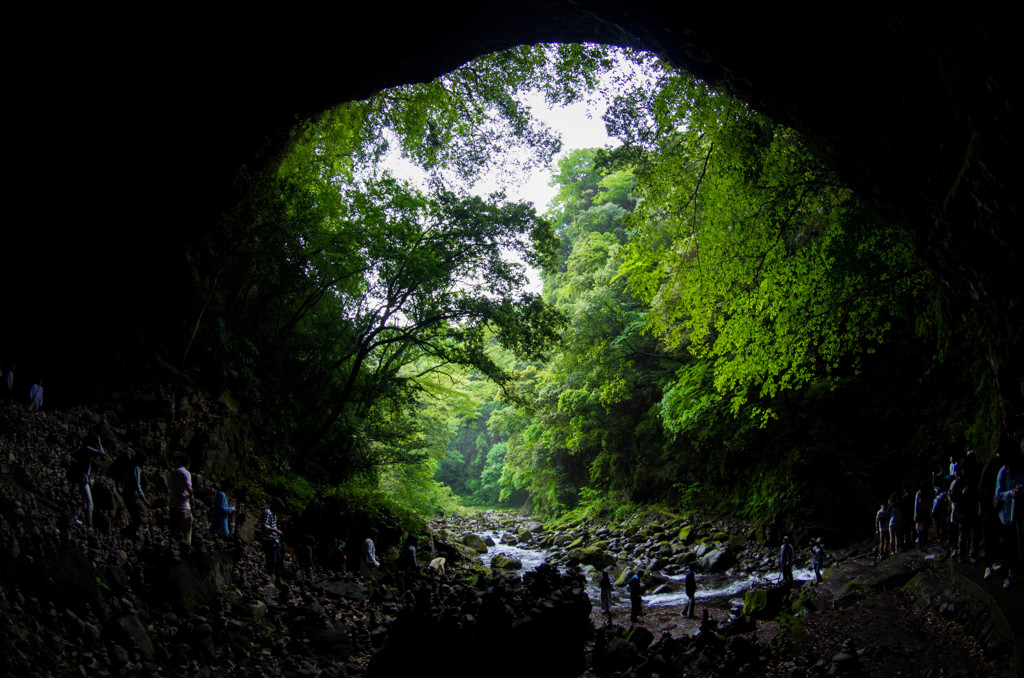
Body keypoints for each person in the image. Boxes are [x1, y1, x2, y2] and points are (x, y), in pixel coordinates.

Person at [995, 445, 1024, 589]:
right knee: (1008, 545)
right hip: (1006, 515)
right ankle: (1008, 574)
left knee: (1018, 543)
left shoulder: (1020, 469)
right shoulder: (1003, 473)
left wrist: (1020, 489)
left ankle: (1015, 568)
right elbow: (998, 494)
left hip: (1018, 511)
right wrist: (1010, 493)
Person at [69, 433, 105, 528]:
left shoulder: (83, 449)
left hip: (81, 477)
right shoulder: (87, 449)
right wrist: (99, 444)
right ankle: (89, 525)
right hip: (83, 478)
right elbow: (101, 453)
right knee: (89, 502)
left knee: (85, 501)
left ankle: (75, 516)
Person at [121, 450, 152, 539]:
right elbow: (137, 487)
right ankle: (126, 533)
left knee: (136, 518)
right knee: (138, 520)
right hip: (130, 497)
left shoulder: (132, 467)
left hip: (128, 495)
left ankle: (128, 534)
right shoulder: (135, 470)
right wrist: (145, 501)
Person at [167, 455, 195, 546]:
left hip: (172, 505)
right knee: (187, 529)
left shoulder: (172, 473)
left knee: (174, 530)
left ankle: (172, 549)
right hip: (183, 506)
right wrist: (191, 497)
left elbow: (169, 487)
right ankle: (187, 549)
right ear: (187, 464)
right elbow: (189, 488)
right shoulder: (185, 473)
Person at [261, 497, 286, 585]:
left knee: (279, 559)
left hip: (275, 540)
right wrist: (276, 531)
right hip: (269, 539)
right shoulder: (267, 512)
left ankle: (278, 578)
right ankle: (269, 576)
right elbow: (264, 526)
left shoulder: (273, 514)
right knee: (272, 559)